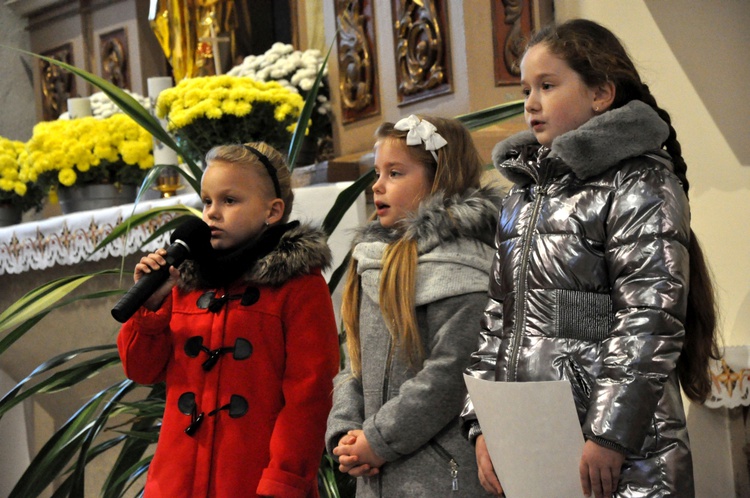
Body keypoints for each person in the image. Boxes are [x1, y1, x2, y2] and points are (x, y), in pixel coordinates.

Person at [461, 19, 720, 498]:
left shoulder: (638, 182)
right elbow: (498, 320)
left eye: (547, 85)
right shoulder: (522, 197)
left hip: (621, 450)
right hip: (536, 441)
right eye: (525, 89)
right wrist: (483, 424)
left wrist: (608, 433)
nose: (531, 103)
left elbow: (649, 318)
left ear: (601, 93)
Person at [117, 142, 340, 497]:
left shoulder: (298, 285)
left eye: (229, 201)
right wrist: (152, 307)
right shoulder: (184, 280)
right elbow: (140, 369)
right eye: (207, 201)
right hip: (175, 482)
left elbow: (310, 395)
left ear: (273, 210)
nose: (212, 213)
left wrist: (283, 481)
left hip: (255, 483)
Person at [326, 114, 501, 497]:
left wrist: (379, 439)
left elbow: (451, 371)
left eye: (395, 173)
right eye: (377, 172)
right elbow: (352, 362)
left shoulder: (461, 263)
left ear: (439, 179)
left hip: (437, 475)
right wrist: (345, 432)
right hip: (374, 472)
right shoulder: (371, 260)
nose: (377, 186)